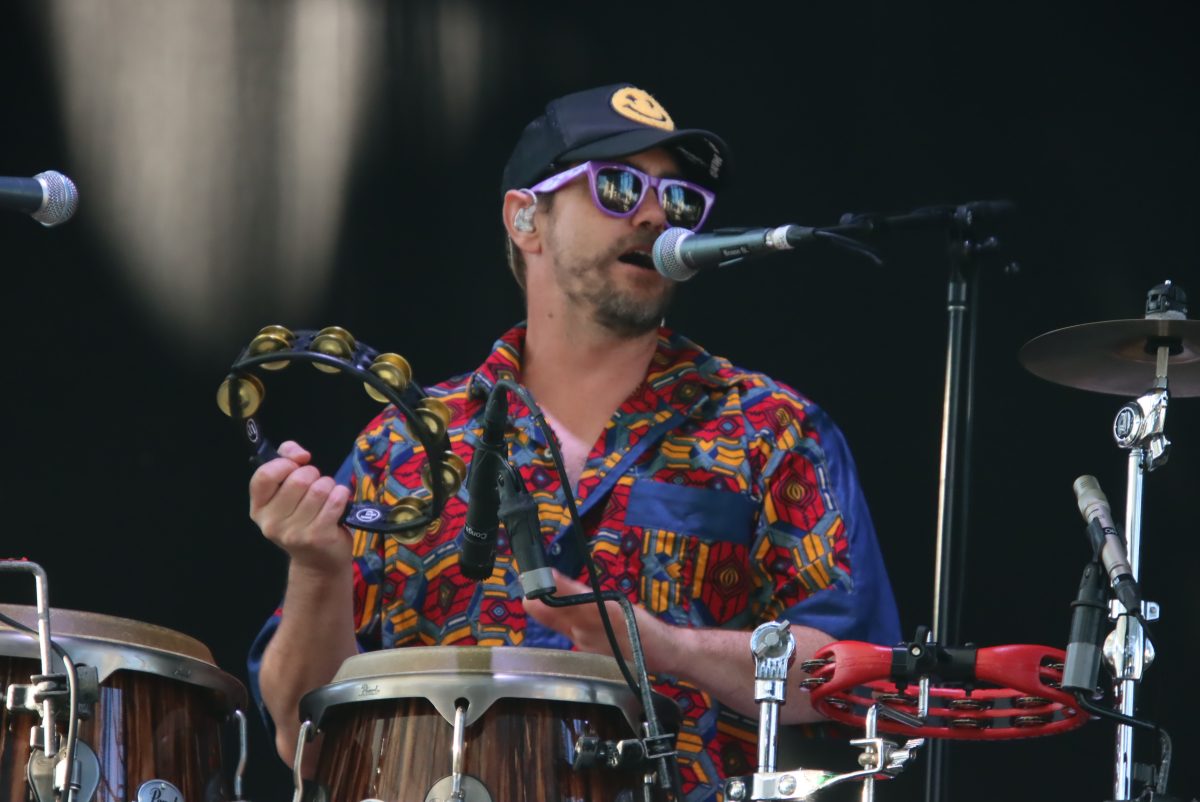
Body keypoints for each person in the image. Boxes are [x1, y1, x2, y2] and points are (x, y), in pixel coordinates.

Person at [246, 83, 901, 801]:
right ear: (526, 219)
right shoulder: (403, 446)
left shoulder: (772, 431)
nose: (655, 214)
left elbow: (855, 674)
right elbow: (302, 738)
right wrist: (317, 571)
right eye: (617, 187)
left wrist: (666, 647)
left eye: (680, 200)